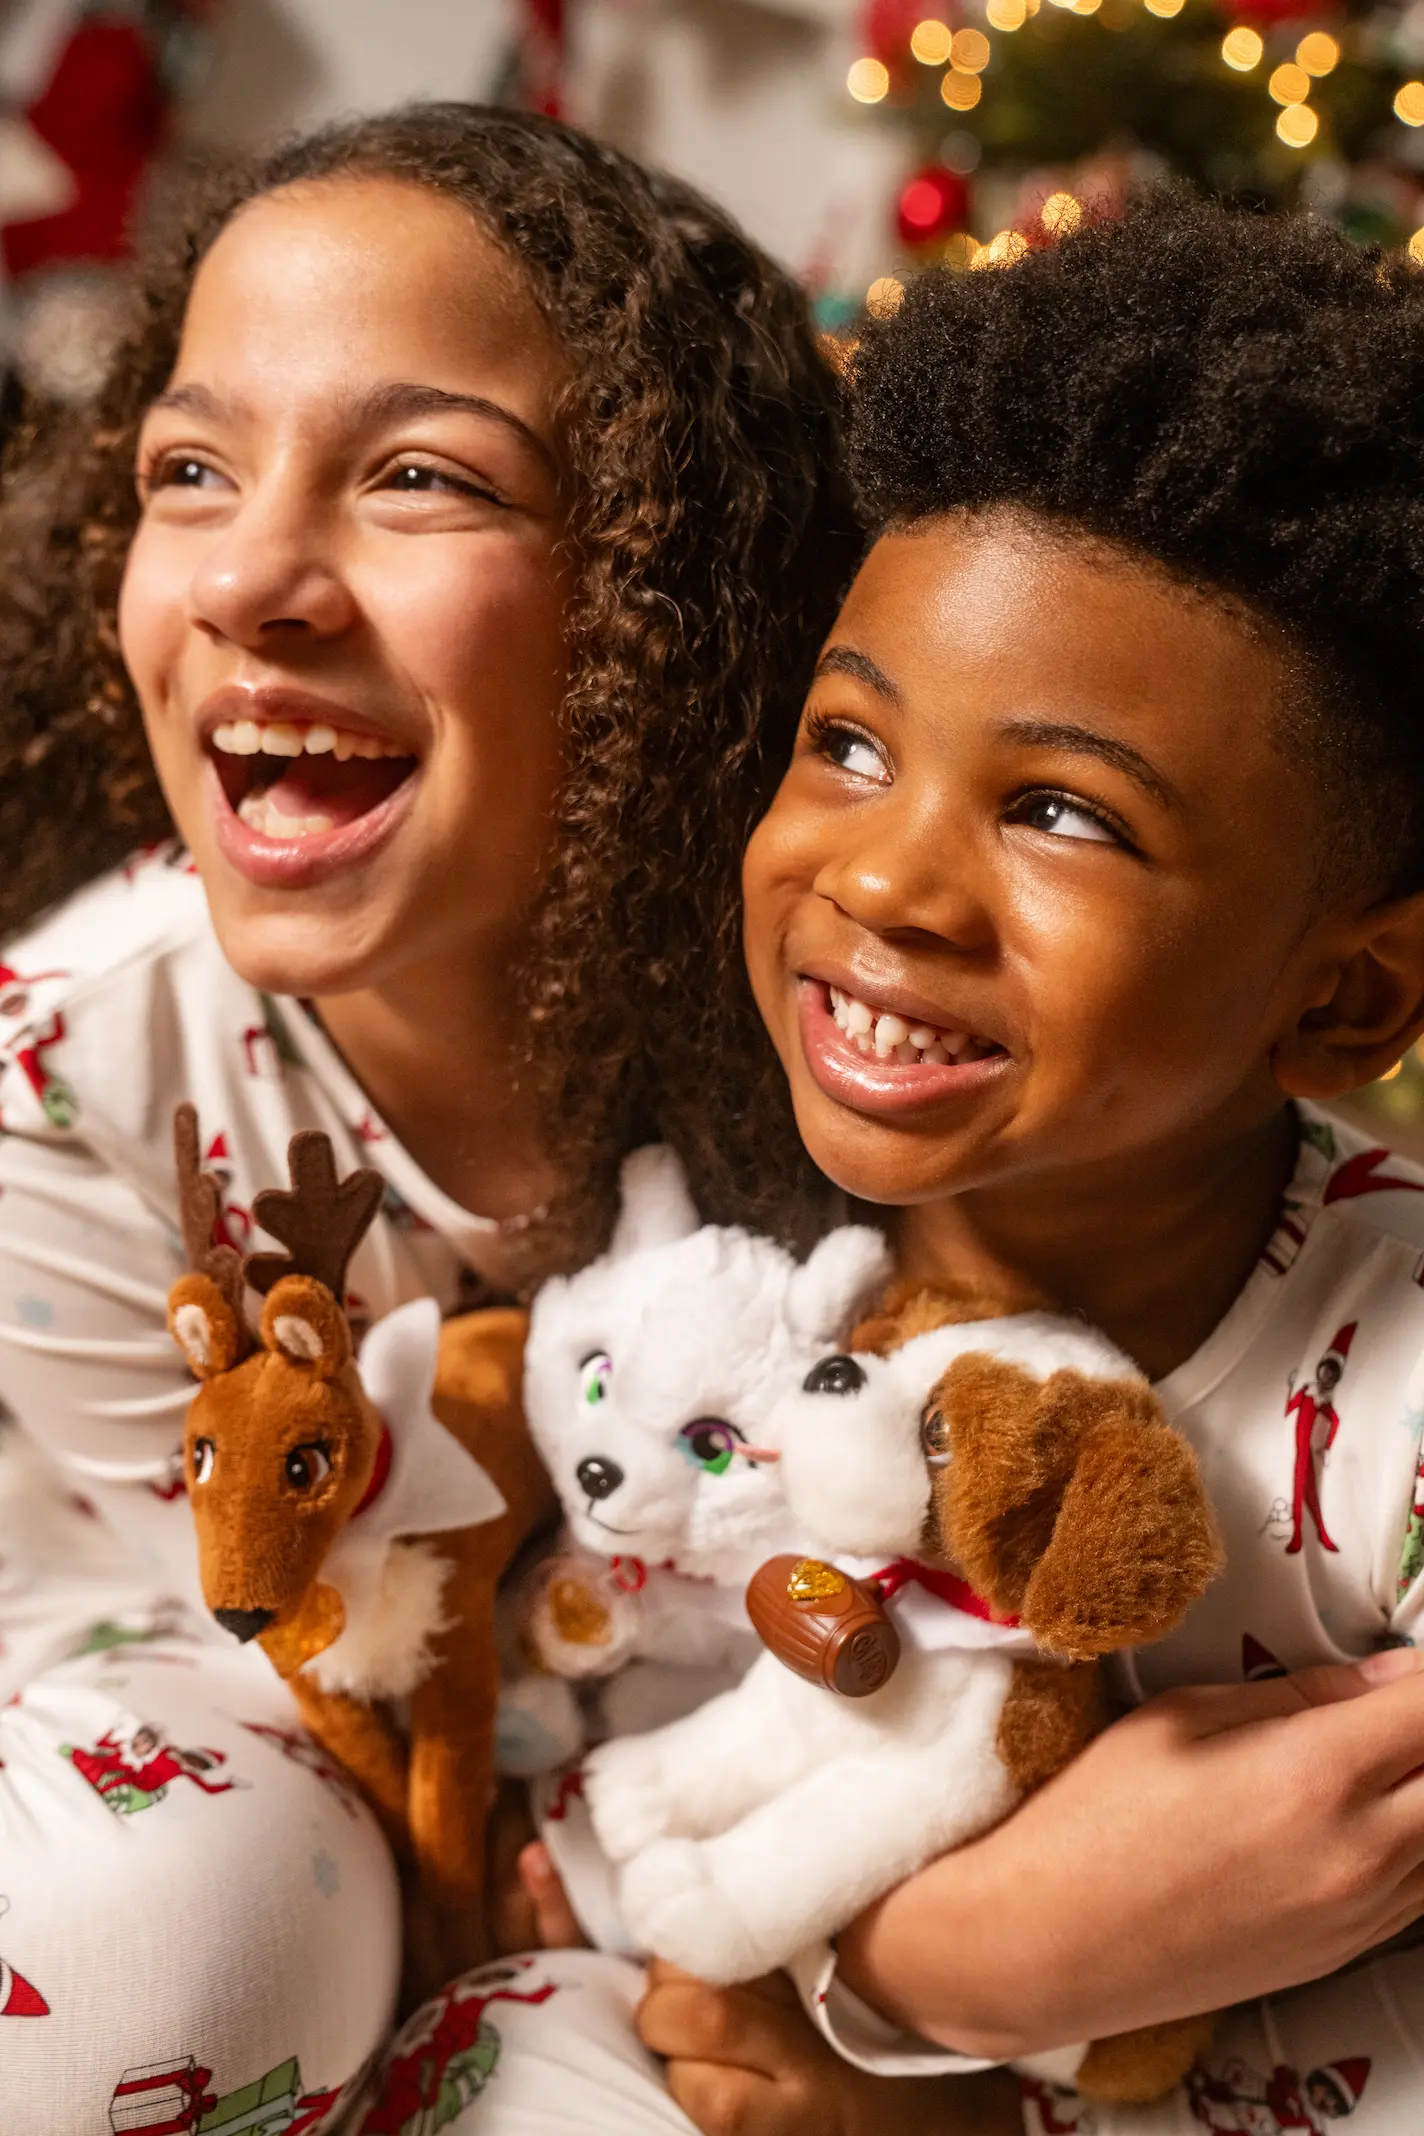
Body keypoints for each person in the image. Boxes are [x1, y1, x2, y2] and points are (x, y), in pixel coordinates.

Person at [381, 191, 1424, 2136]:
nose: (881, 879)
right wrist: (888, 2008)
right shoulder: (716, 1266)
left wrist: (950, 1984)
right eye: (850, 746)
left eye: (1061, 812)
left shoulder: (1391, 1393)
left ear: (1343, 999)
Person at [0, 103, 856, 2134]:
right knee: (180, 1922)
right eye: (189, 471)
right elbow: (299, 1672)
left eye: (418, 478)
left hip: (672, 1787)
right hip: (216, 1718)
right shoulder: (70, 1074)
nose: (252, 578)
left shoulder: (854, 1025)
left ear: (663, 592)